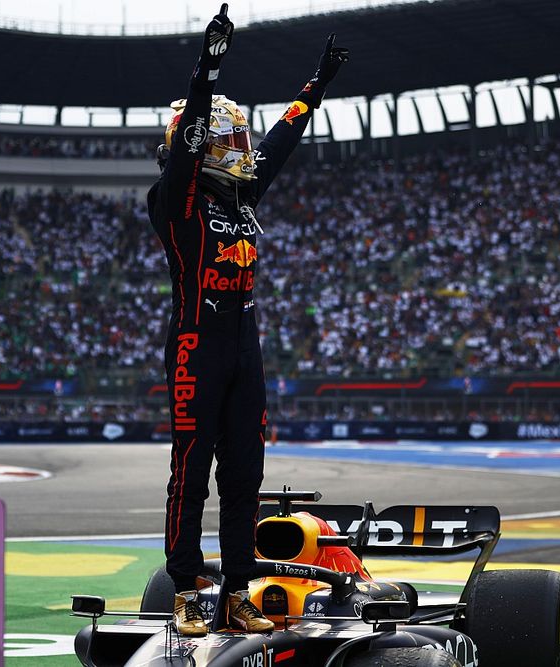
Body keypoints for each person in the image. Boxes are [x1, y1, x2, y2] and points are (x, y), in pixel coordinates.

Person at [146, 3, 349, 636]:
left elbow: (281, 145)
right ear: (200, 144)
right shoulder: (174, 201)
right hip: (197, 349)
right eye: (229, 141)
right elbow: (187, 145)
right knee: (191, 469)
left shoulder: (242, 195)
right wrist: (207, 67)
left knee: (244, 476)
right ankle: (185, 589)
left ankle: (236, 591)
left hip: (246, 350)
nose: (242, 151)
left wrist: (316, 86)